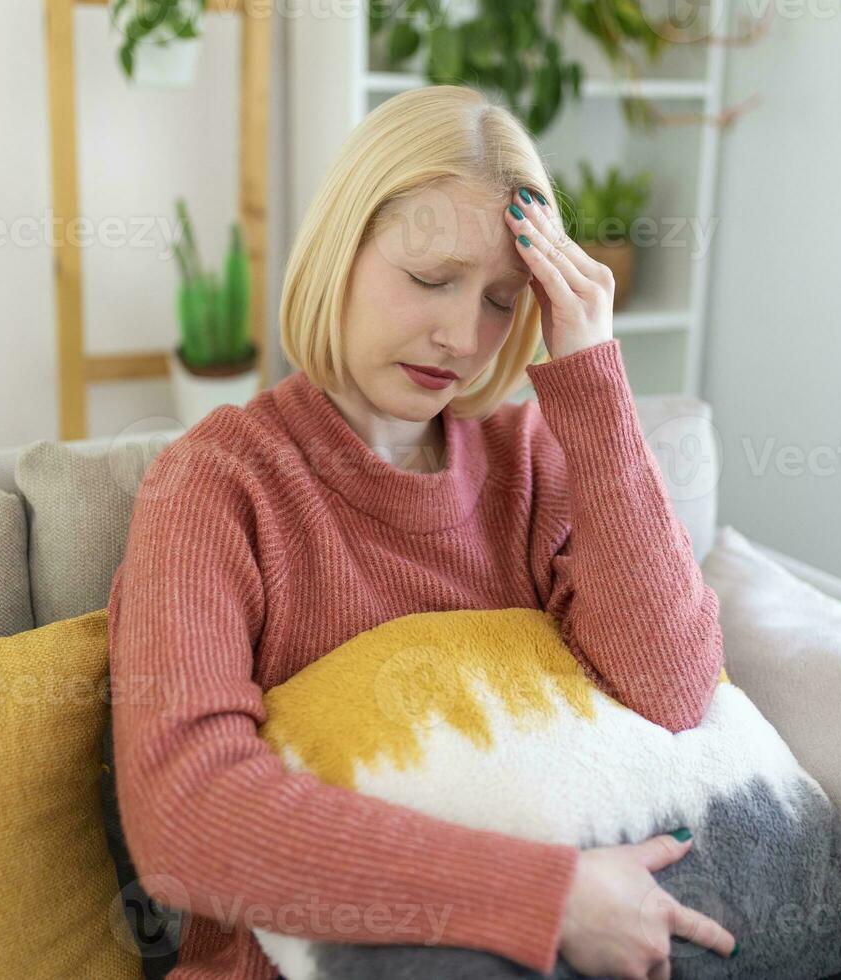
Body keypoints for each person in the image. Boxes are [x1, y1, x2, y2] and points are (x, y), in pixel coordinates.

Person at [106, 83, 736, 980]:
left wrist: (591, 375)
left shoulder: (534, 463)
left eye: (502, 301)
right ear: (341, 250)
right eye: (430, 279)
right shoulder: (217, 483)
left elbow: (674, 689)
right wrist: (542, 895)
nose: (462, 337)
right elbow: (187, 817)